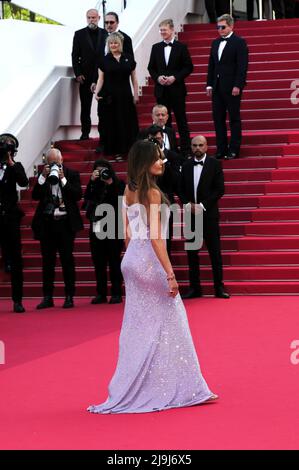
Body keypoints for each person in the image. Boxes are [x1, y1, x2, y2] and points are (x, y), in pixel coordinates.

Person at [87, 139, 217, 414]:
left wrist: (132, 258)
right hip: (147, 260)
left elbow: (126, 232)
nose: (162, 162)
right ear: (146, 162)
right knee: (174, 320)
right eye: (158, 158)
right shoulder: (153, 193)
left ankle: (143, 385)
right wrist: (170, 274)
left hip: (132, 260)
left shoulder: (129, 188)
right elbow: (157, 238)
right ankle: (185, 388)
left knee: (140, 325)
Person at [31, 148, 83, 309]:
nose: (53, 164)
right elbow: (35, 196)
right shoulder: (43, 176)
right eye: (50, 162)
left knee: (67, 260)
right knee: (48, 262)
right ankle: (48, 297)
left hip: (66, 224)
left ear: (61, 161)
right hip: (47, 223)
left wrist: (63, 179)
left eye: (56, 161)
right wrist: (42, 177)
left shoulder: (72, 174)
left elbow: (77, 195)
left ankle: (69, 296)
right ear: (46, 162)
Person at [179, 135, 229, 299]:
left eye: (201, 145)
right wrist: (187, 204)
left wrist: (202, 206)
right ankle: (195, 288)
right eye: (194, 145)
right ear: (191, 147)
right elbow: (180, 189)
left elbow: (219, 189)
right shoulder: (185, 165)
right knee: (192, 254)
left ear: (206, 146)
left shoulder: (215, 164)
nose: (198, 148)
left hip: (209, 215)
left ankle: (219, 288)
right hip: (190, 216)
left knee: (215, 253)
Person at [148, 19, 194, 157]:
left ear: (172, 30)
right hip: (161, 90)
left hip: (177, 89)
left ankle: (185, 150)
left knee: (181, 120)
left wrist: (175, 77)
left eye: (164, 30)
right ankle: (168, 149)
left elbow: (188, 67)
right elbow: (151, 67)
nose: (162, 32)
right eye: (161, 30)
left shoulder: (181, 47)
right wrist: (158, 78)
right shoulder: (156, 47)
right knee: (164, 122)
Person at [206, 14, 248, 160]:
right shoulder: (215, 43)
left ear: (231, 26)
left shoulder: (239, 42)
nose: (220, 30)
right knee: (218, 118)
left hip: (232, 87)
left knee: (234, 118)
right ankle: (221, 149)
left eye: (223, 27)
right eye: (218, 27)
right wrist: (209, 84)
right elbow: (211, 65)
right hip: (217, 87)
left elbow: (242, 66)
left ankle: (234, 149)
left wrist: (238, 85)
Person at [83, 159, 125, 304]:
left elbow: (121, 201)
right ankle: (101, 293)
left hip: (114, 226)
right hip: (97, 226)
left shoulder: (119, 184)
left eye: (104, 170)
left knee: (114, 261)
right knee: (98, 261)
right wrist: (91, 181)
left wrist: (110, 183)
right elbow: (86, 200)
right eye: (98, 170)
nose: (102, 173)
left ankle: (116, 293)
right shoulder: (94, 185)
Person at [94, 32, 139, 159]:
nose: (113, 45)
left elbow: (134, 79)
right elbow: (100, 79)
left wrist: (136, 95)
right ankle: (116, 151)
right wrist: (96, 93)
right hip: (109, 97)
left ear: (120, 44)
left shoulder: (129, 58)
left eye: (115, 43)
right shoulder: (103, 60)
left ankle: (128, 151)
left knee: (127, 123)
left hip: (125, 96)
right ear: (108, 45)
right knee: (113, 123)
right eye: (111, 43)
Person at [0, 133, 28, 313]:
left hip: (10, 218)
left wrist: (11, 163)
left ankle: (17, 300)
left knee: (16, 259)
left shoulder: (15, 167)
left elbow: (24, 182)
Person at [71, 9, 107, 140]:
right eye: (89, 18)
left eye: (93, 17)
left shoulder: (105, 33)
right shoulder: (79, 34)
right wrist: (78, 73)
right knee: (85, 107)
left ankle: (104, 132)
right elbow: (74, 55)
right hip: (84, 76)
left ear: (98, 18)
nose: (91, 20)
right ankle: (85, 133)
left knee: (102, 107)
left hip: (102, 75)